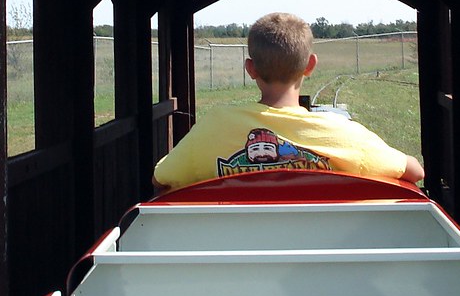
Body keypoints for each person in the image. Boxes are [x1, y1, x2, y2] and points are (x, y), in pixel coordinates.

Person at [152, 12, 425, 193]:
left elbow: (161, 178)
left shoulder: (212, 128)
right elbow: (414, 172)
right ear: (310, 65)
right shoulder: (346, 135)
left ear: (251, 68)